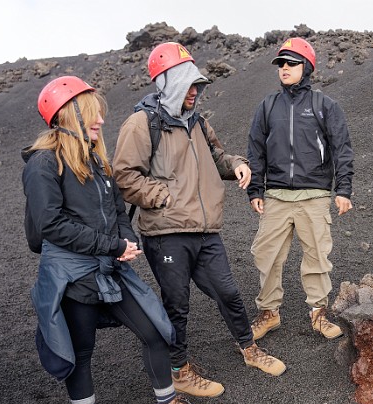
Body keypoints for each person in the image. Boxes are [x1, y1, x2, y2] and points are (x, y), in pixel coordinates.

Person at [23, 76, 217, 404]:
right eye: (93, 116)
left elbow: (116, 212)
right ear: (67, 115)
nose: (99, 124)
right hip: (74, 277)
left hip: (109, 269)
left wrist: (127, 242)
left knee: (155, 329)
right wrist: (110, 245)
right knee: (80, 354)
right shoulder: (44, 163)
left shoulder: (97, 161)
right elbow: (49, 226)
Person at [114, 42, 285, 380]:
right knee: (177, 305)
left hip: (205, 231)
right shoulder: (141, 124)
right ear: (166, 82)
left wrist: (236, 164)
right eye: (189, 83)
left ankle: (249, 348)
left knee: (228, 292)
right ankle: (179, 370)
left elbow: (216, 156)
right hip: (166, 234)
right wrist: (162, 196)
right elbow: (124, 175)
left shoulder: (198, 123)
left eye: (198, 84)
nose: (196, 91)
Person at [246, 37, 354, 341]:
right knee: (266, 255)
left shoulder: (324, 105)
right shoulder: (268, 106)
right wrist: (255, 190)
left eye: (291, 63)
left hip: (315, 196)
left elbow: (342, 149)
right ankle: (268, 313)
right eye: (281, 63)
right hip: (277, 195)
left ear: (306, 67)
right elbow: (255, 151)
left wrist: (343, 189)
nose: (284, 68)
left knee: (317, 257)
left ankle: (319, 313)